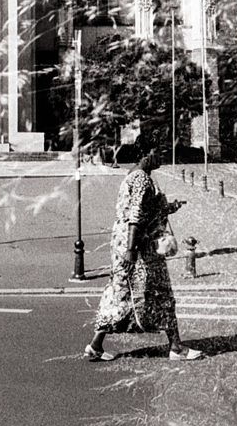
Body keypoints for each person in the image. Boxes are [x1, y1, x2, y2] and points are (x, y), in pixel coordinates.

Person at [84, 145, 203, 362]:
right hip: (138, 246)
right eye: (160, 154)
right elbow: (136, 216)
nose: (162, 159)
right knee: (161, 292)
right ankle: (176, 347)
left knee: (121, 292)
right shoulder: (141, 179)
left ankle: (95, 345)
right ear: (146, 154)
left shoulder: (133, 175)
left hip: (123, 243)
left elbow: (142, 210)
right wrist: (131, 251)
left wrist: (170, 207)